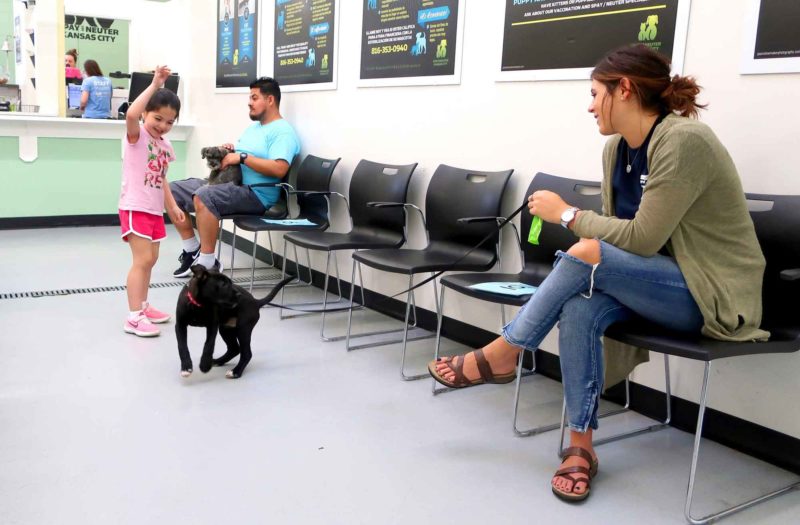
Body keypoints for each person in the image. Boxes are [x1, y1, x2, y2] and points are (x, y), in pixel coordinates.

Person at [429, 44, 769, 502]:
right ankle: (580, 447)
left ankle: (504, 351)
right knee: (580, 304)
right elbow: (622, 239)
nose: (590, 106)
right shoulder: (616, 151)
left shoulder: (685, 141)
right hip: (657, 284)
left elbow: (642, 238)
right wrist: (584, 232)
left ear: (623, 89)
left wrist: (567, 214)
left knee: (587, 251)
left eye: (595, 93)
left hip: (712, 295)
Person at [168, 76, 300, 277]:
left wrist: (242, 157)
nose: (249, 102)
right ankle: (191, 249)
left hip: (257, 195)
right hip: (232, 184)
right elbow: (242, 155)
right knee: (171, 190)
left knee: (204, 195)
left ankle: (208, 262)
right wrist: (230, 150)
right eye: (250, 98)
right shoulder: (254, 128)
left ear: (270, 100)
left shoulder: (282, 132)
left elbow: (279, 168)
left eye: (254, 98)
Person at [119, 65, 183, 337]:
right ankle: (133, 317)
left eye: (170, 122)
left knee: (152, 259)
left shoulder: (164, 145)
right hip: (135, 206)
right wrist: (156, 84)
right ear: (146, 113)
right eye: (158, 118)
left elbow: (162, 178)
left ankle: (143, 306)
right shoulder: (138, 136)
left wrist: (173, 206)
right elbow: (131, 114)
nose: (163, 126)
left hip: (154, 209)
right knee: (142, 260)